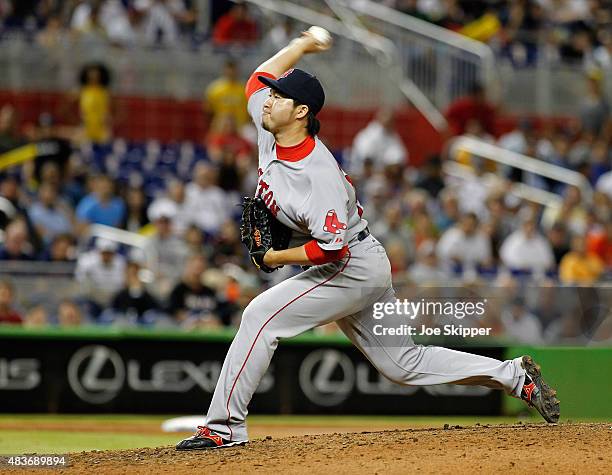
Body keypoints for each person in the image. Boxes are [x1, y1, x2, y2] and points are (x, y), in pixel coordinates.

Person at [176, 28, 559, 451]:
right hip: (361, 261)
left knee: (260, 317)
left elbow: (331, 249)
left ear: (301, 112)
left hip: (349, 265)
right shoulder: (270, 127)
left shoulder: (316, 174)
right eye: (272, 95)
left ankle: (224, 427)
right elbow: (255, 80)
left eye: (279, 97)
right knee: (404, 364)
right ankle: (514, 377)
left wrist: (273, 258)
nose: (268, 100)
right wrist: (302, 46)